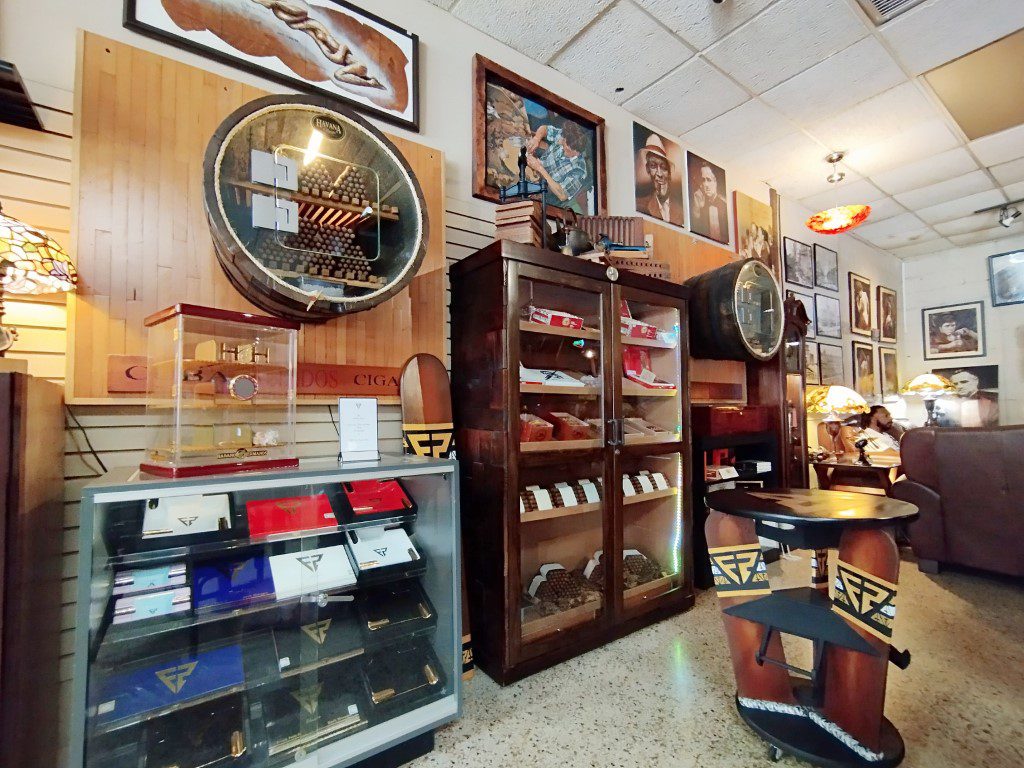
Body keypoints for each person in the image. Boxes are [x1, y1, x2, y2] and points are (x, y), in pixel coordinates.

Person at [525, 122, 589, 213]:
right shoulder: (565, 137)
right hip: (534, 170)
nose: (562, 146)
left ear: (577, 151)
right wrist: (536, 139)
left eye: (566, 148)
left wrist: (539, 168)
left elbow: (562, 194)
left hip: (541, 193)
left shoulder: (579, 171)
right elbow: (545, 129)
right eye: (563, 143)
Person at [635, 134, 683, 225]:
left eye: (663, 167)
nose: (659, 174)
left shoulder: (680, 210)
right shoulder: (640, 205)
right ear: (648, 170)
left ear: (669, 172)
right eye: (653, 166)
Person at [690, 161, 728, 242]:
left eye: (709, 180)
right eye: (703, 180)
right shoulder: (700, 205)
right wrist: (697, 209)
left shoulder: (725, 206)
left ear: (716, 182)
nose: (705, 184)